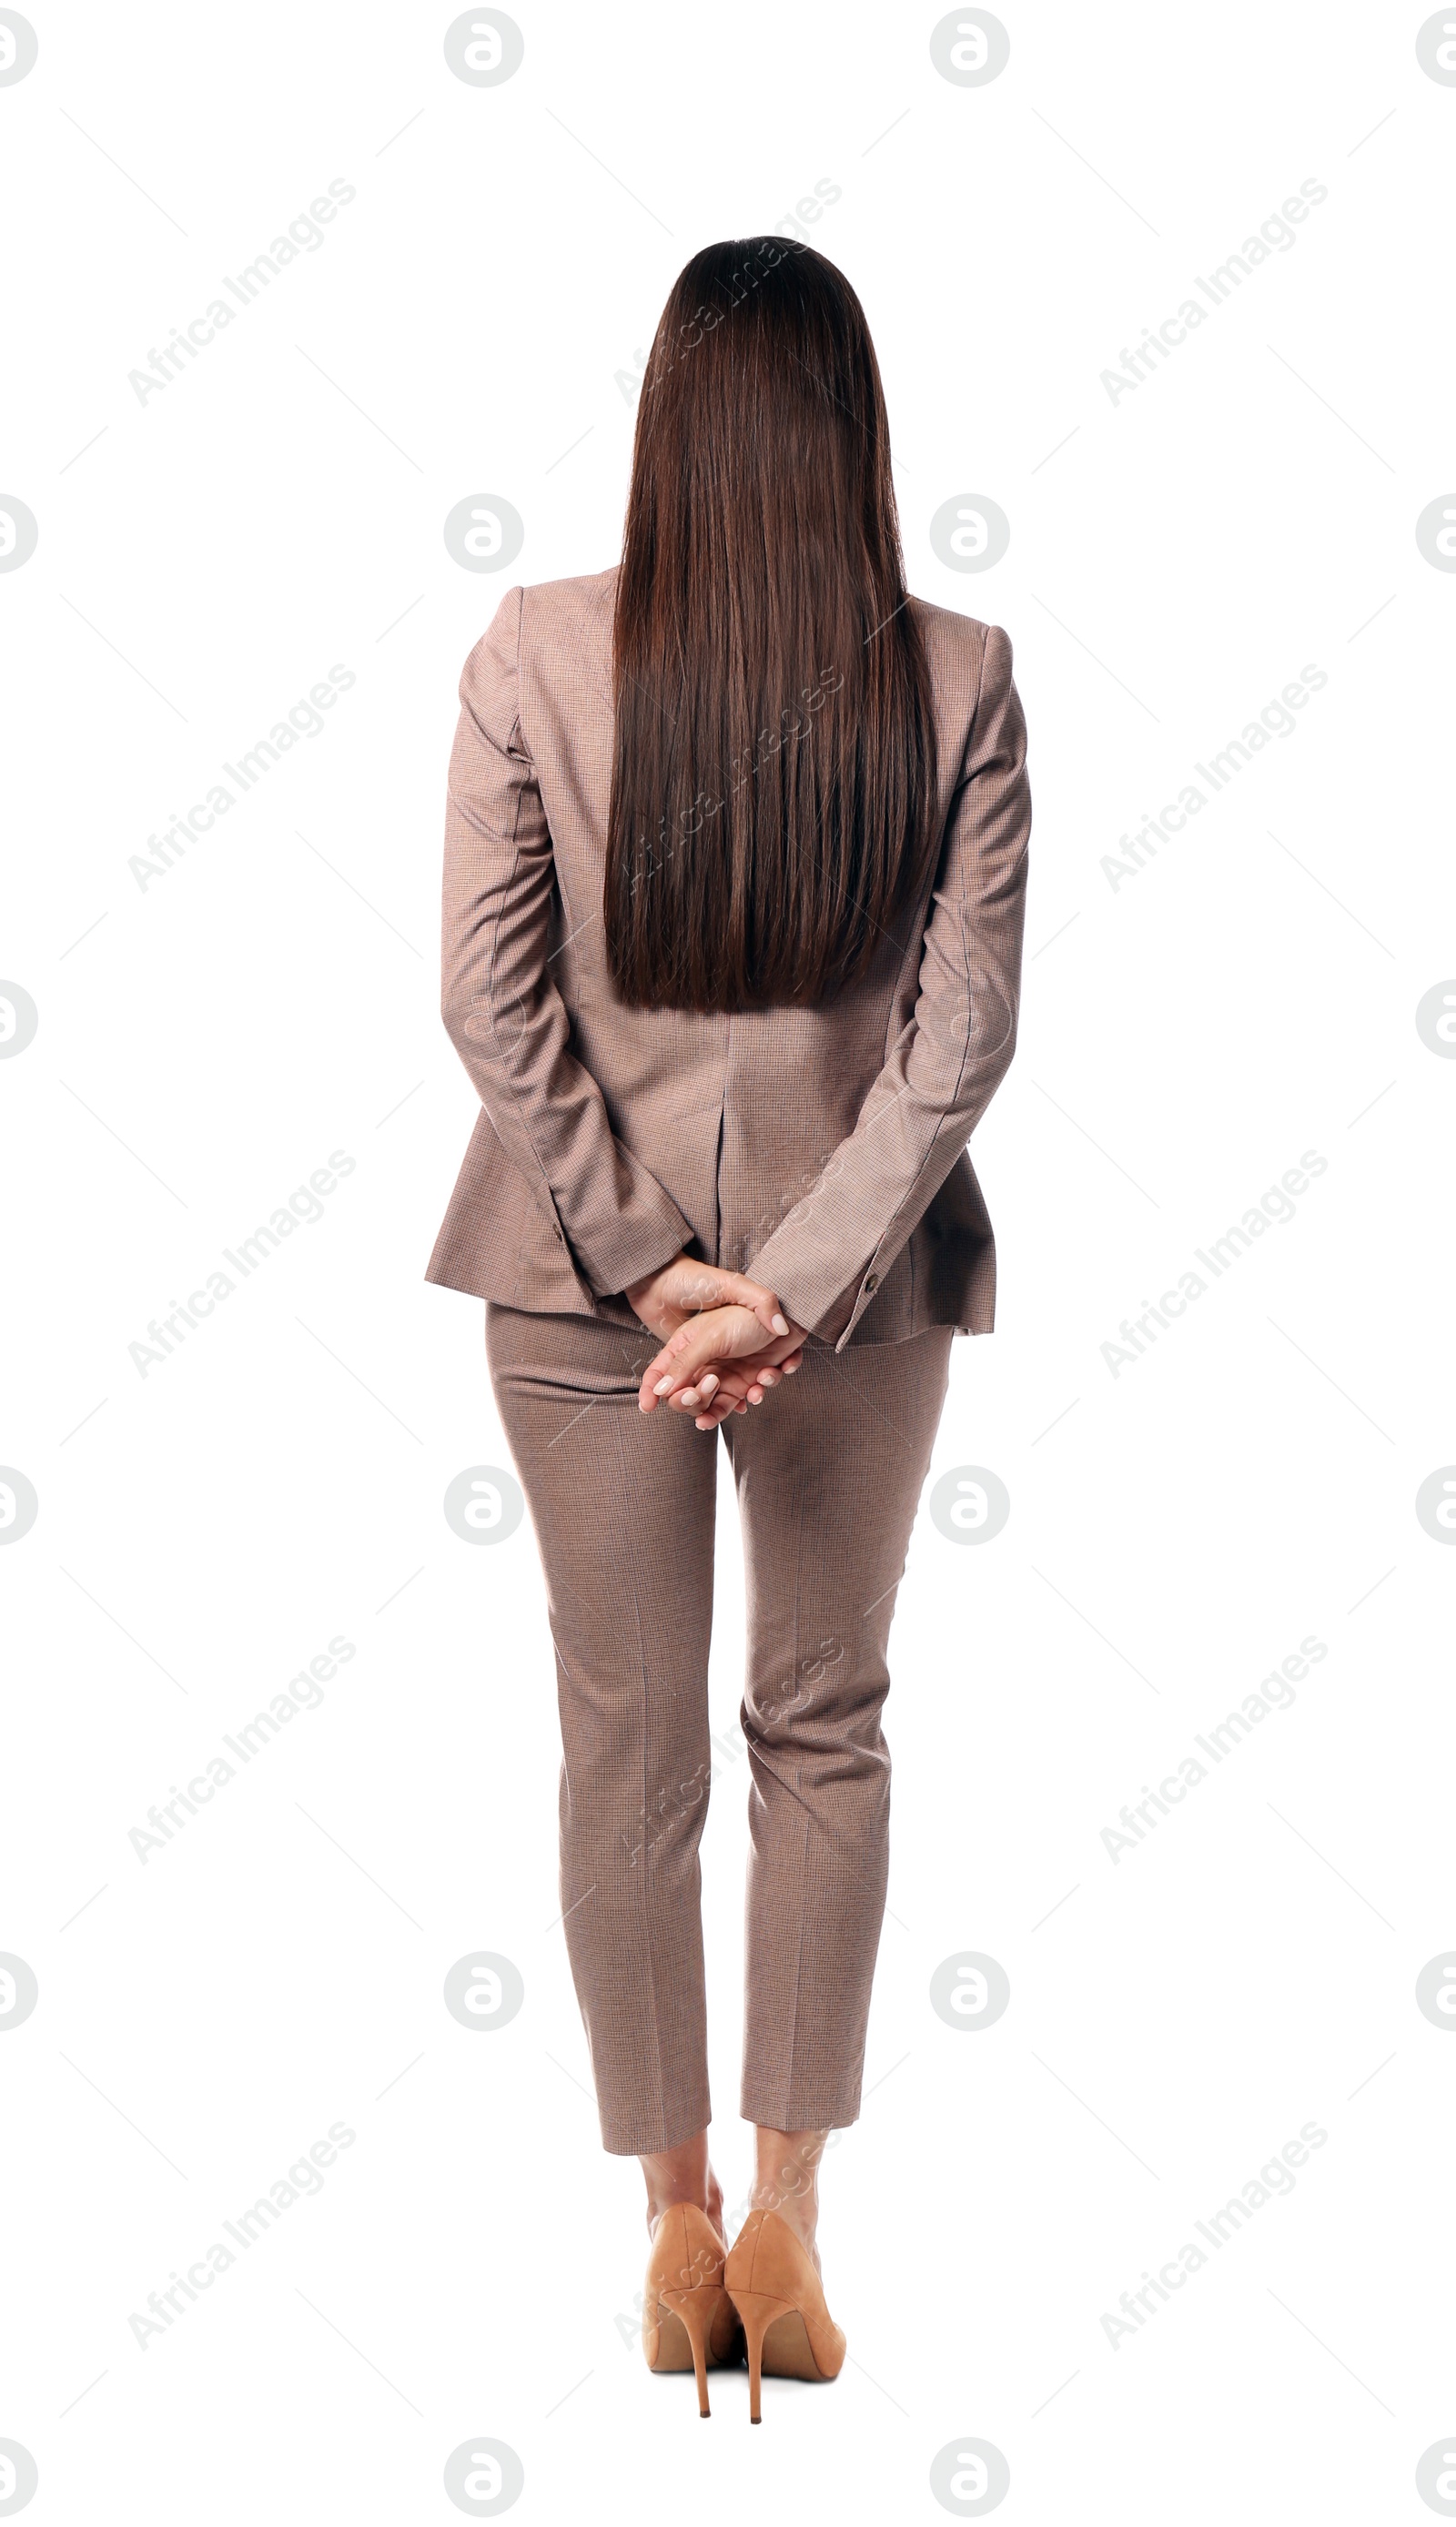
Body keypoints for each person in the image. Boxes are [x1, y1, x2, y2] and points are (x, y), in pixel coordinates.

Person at [428, 234, 1030, 2421]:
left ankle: (667, 2218)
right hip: (848, 1299)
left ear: (665, 421)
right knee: (823, 1725)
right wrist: (791, 1283)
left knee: (625, 1746)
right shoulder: (956, 672)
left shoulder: (531, 650)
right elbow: (958, 1042)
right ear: (855, 430)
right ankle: (789, 2215)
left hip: (575, 1286)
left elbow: (486, 998)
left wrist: (641, 1265)